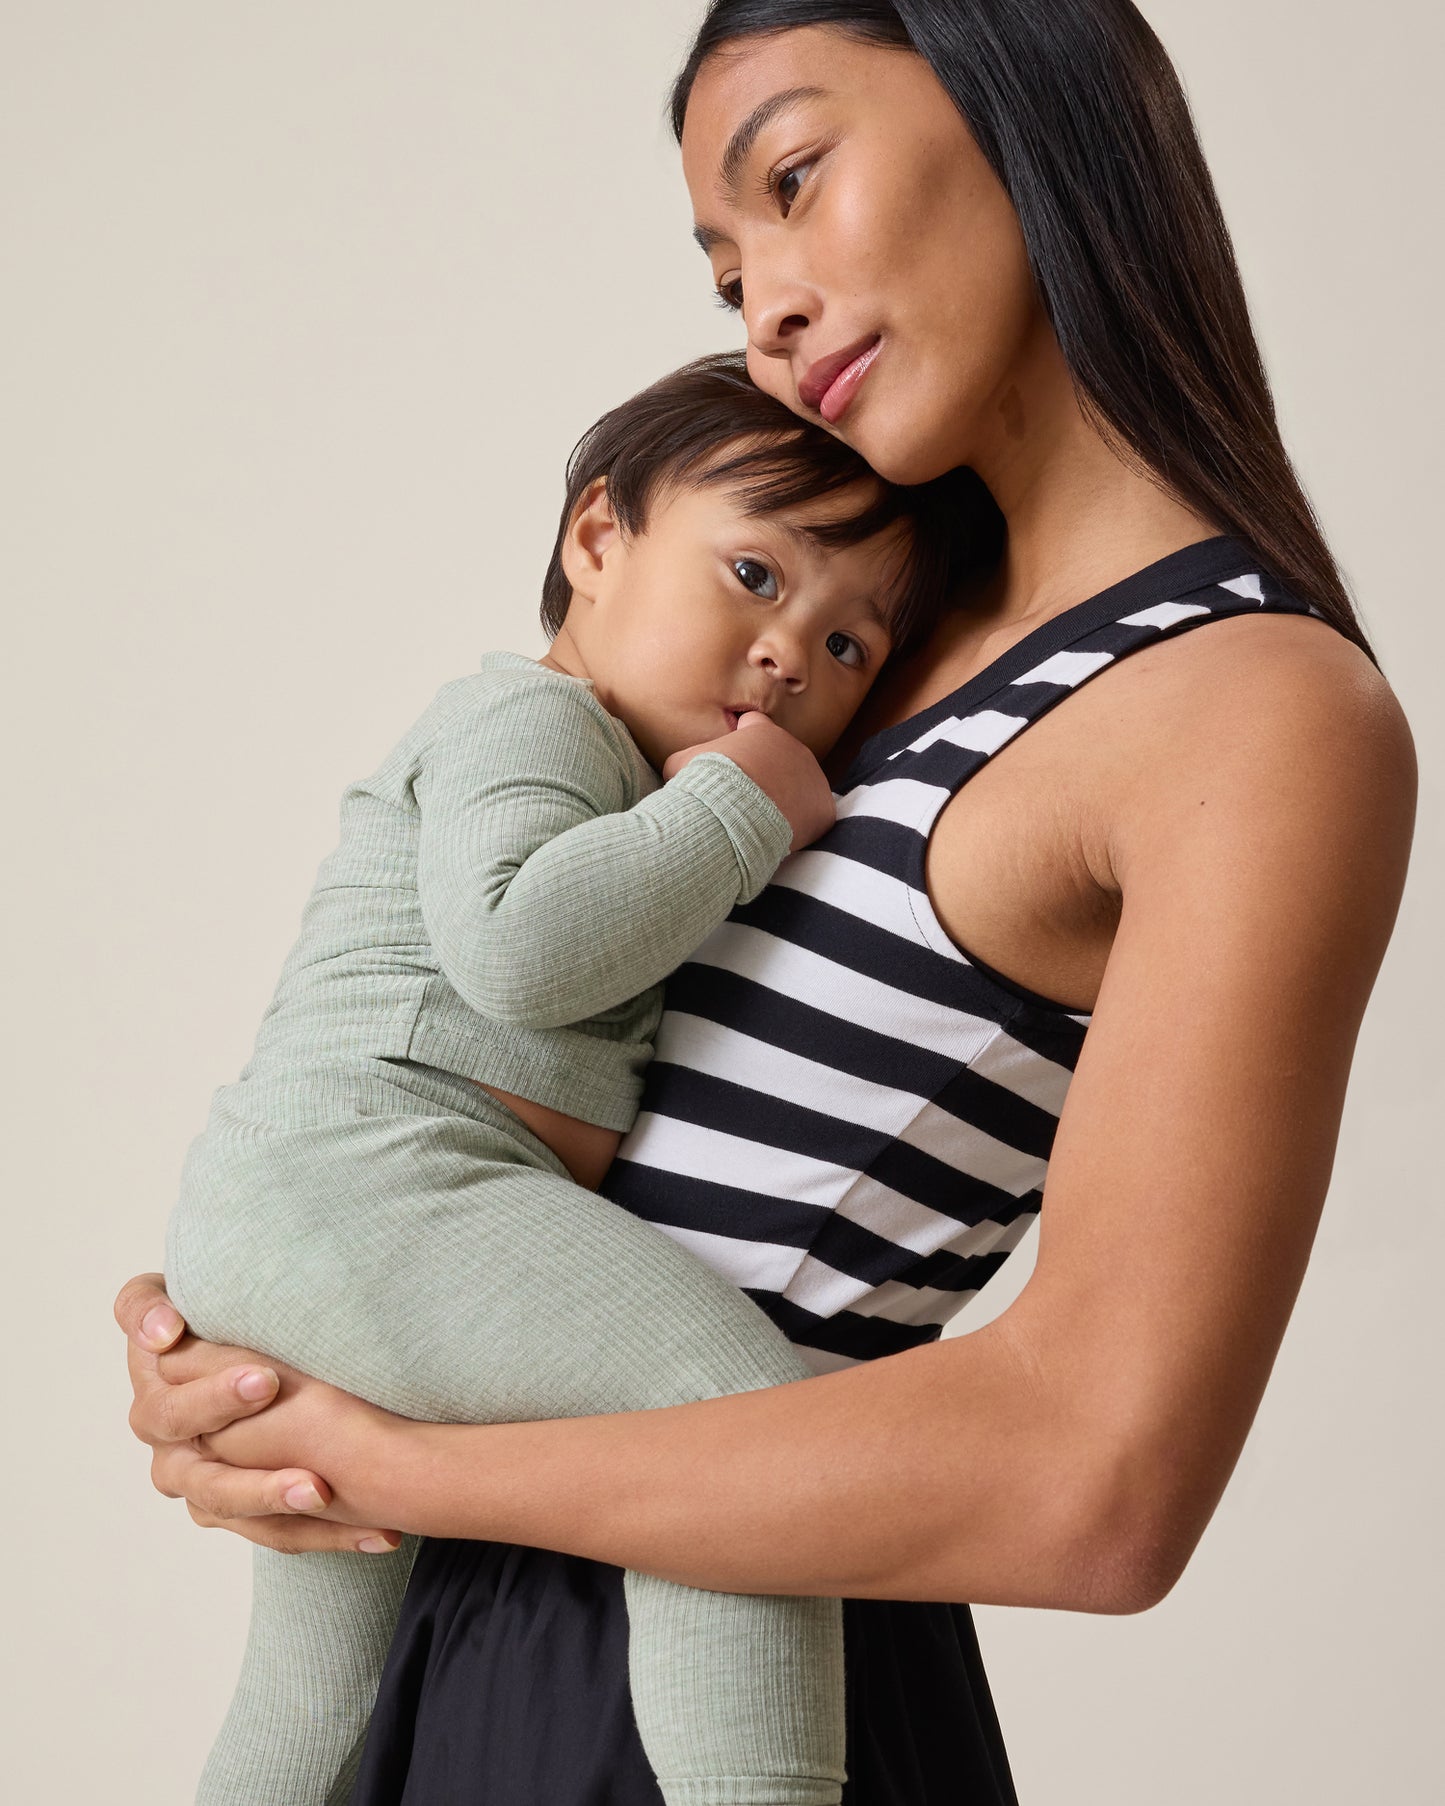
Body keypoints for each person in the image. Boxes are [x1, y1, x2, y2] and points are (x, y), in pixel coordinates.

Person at [117, 3, 1417, 1802]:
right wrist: (261, 1378)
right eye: (728, 269)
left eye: (795, 181)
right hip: (458, 1646)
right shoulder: (837, 649)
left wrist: (395, 1461)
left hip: (727, 1696)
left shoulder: (1247, 707)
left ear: (1030, 105)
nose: (770, 303)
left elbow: (1096, 1488)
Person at [156, 350, 982, 1806]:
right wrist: (743, 801)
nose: (792, 654)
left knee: (314, 1701)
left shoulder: (619, 784)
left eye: (851, 647)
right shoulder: (531, 722)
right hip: (376, 1184)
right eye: (753, 573)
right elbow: (523, 951)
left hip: (326, 1216)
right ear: (594, 539)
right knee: (738, 1427)